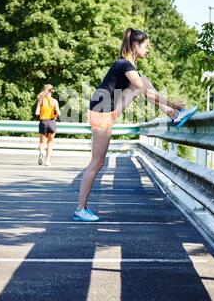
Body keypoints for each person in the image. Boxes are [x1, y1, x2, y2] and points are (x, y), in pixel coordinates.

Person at [73, 28, 196, 222]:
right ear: (136, 45)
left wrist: (170, 106)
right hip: (101, 114)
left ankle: (174, 116)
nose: (148, 50)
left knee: (144, 83)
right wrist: (172, 102)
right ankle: (81, 209)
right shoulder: (123, 64)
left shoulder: (129, 66)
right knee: (96, 163)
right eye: (146, 47)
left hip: (108, 109)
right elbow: (147, 93)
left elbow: (144, 90)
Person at [35, 84, 60, 166]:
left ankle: (41, 153)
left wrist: (42, 112)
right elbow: (58, 113)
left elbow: (37, 112)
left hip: (43, 122)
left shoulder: (41, 100)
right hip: (52, 122)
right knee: (50, 142)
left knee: (42, 142)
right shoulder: (54, 101)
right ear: (51, 91)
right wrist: (54, 115)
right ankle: (47, 161)